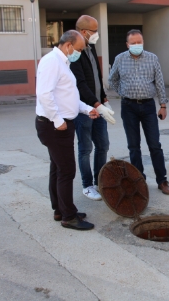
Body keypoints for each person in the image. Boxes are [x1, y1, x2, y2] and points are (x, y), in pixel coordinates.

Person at [35, 30, 99, 231]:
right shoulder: (51, 61)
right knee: (66, 171)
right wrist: (57, 119)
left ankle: (60, 209)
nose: (79, 53)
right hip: (55, 126)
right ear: (69, 45)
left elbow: (67, 96)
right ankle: (68, 217)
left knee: (57, 169)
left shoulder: (63, 63)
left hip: (59, 124)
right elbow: (44, 94)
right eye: (79, 49)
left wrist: (87, 108)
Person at [108, 29, 169, 195]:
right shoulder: (120, 59)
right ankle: (139, 181)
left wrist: (163, 105)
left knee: (155, 145)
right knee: (134, 147)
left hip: (148, 107)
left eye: (139, 42)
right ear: (127, 44)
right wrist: (123, 92)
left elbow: (159, 82)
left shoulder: (152, 58)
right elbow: (112, 79)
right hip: (128, 107)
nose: (137, 45)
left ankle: (162, 180)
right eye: (133, 43)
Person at [71, 15, 115, 201]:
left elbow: (96, 75)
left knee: (103, 145)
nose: (97, 34)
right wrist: (95, 104)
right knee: (85, 148)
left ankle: (99, 181)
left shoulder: (90, 46)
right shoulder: (75, 52)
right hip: (84, 110)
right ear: (83, 32)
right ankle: (87, 185)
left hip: (98, 105)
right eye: (94, 31)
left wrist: (103, 98)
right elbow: (80, 84)